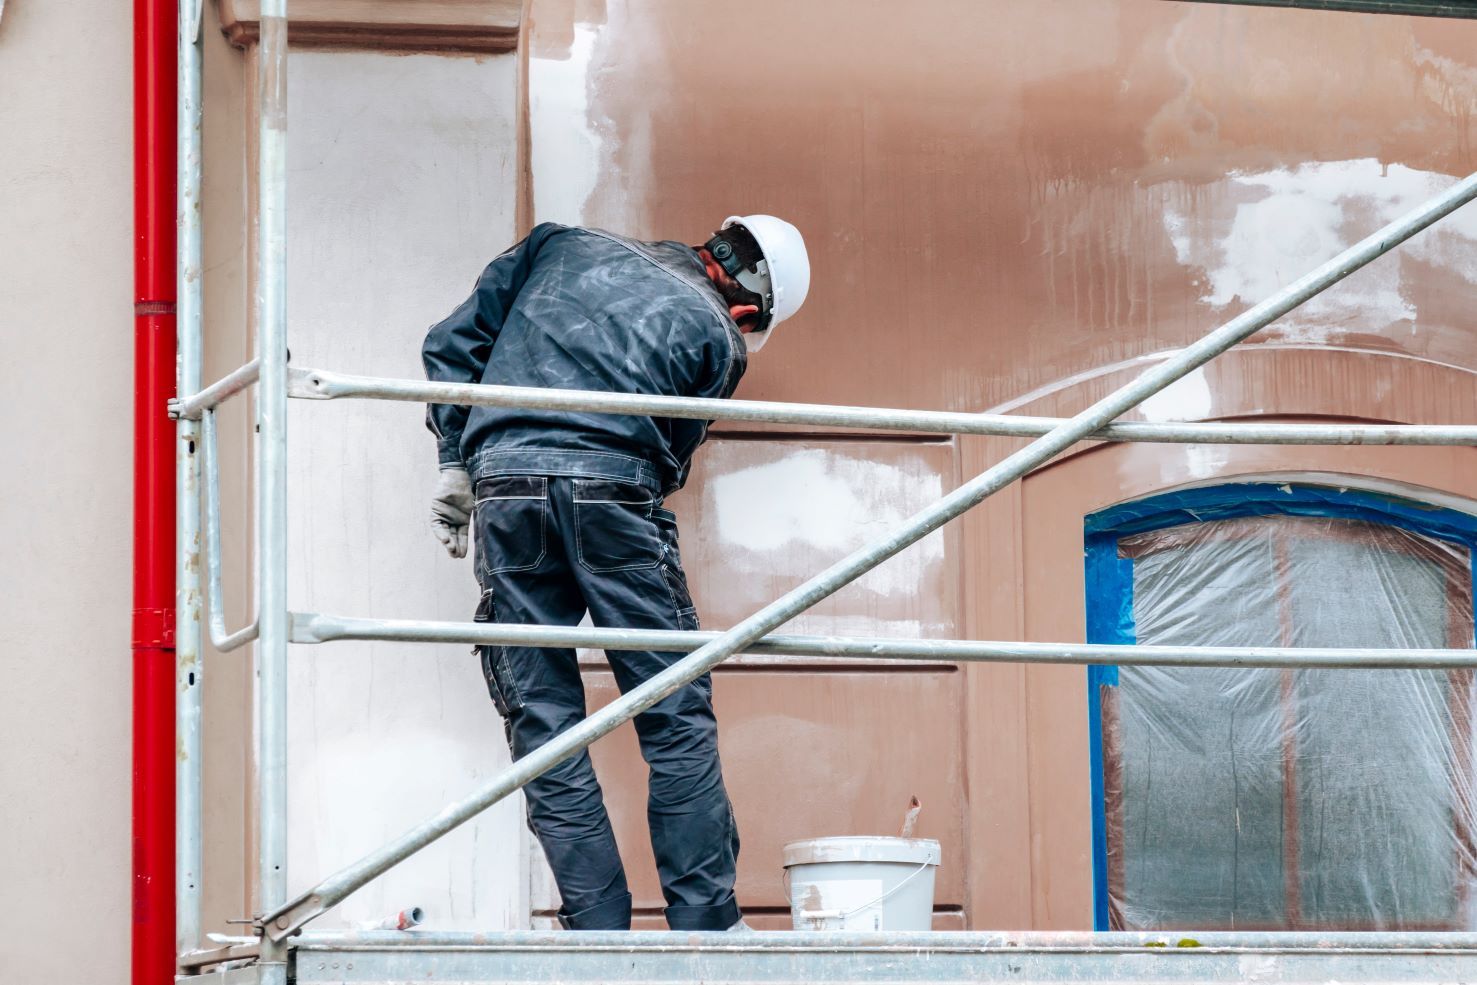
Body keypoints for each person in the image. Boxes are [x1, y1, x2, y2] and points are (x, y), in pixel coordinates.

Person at [421, 216, 811, 931]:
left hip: (505, 488)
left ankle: (594, 926)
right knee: (671, 712)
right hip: (614, 491)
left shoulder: (558, 244)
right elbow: (670, 453)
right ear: (748, 309)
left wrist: (455, 455)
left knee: (544, 718)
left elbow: (453, 343)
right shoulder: (718, 339)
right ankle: (705, 924)